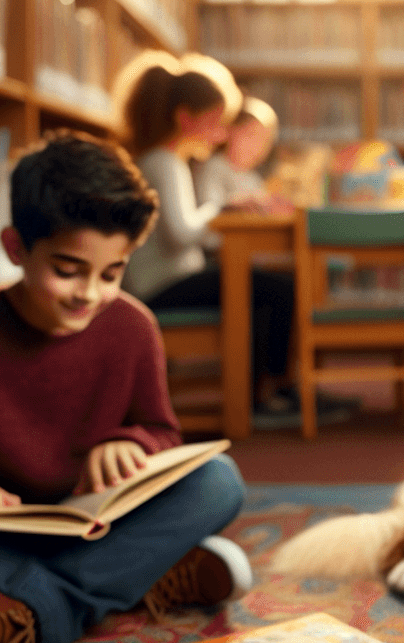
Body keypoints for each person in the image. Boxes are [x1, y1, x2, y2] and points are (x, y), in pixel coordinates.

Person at [0, 130, 252, 643]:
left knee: (221, 480)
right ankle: (147, 578)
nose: (90, 293)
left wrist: (130, 444)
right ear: (16, 249)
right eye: (67, 270)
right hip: (5, 526)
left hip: (105, 516)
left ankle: (32, 609)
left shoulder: (133, 326)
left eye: (112, 273)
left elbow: (161, 431)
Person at [119, 53, 299, 422]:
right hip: (161, 286)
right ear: (186, 118)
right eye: (216, 122)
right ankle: (271, 392)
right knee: (274, 289)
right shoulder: (164, 162)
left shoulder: (165, 161)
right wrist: (221, 210)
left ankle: (263, 393)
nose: (220, 134)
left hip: (168, 280)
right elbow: (179, 236)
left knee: (260, 288)